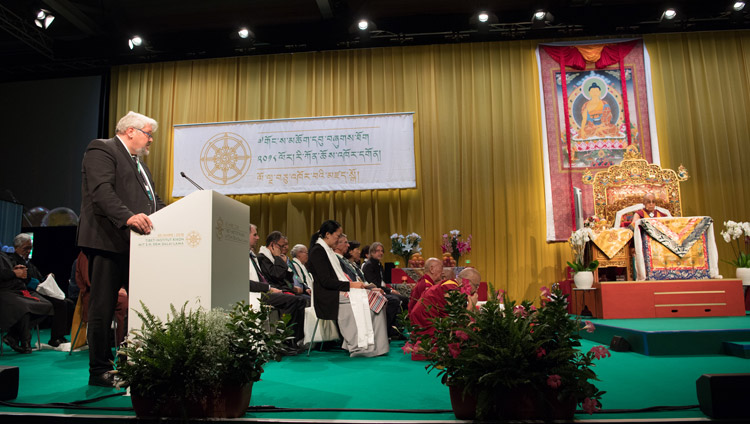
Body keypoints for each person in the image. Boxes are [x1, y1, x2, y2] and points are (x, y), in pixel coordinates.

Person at [77, 111, 165, 387]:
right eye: (148, 134)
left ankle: (131, 364)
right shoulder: (102, 148)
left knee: (140, 306)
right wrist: (127, 216)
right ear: (130, 131)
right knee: (103, 306)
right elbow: (102, 192)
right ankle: (100, 370)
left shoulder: (139, 164)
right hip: (107, 239)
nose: (151, 140)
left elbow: (154, 201)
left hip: (136, 245)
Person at [306, 220, 389, 357]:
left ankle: (376, 346)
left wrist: (361, 286)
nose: (339, 239)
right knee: (365, 301)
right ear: (327, 234)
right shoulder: (318, 251)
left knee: (378, 298)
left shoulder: (329, 251)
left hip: (337, 290)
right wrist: (351, 285)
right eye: (337, 236)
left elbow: (338, 278)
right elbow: (326, 281)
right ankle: (360, 346)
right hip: (327, 296)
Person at [248, 224, 306, 352]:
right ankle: (283, 342)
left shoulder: (253, 256)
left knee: (301, 300)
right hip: (257, 293)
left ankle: (295, 340)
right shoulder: (262, 257)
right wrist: (278, 259)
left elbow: (288, 277)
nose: (258, 238)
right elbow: (276, 275)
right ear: (273, 245)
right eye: (255, 235)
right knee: (292, 300)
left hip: (269, 289)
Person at [0, 233, 60, 353]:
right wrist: (14, 273)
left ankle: (13, 336)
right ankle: (24, 341)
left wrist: (17, 271)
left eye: (30, 248)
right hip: (5, 291)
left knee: (46, 305)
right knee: (24, 308)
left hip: (18, 289)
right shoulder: (11, 257)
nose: (28, 251)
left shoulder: (4, 255)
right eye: (25, 248)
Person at [409, 268, 481, 360]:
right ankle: (424, 349)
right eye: (476, 285)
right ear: (467, 282)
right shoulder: (452, 290)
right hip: (428, 328)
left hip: (422, 325)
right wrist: (471, 305)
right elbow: (458, 321)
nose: (477, 290)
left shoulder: (450, 284)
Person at [362, 242, 408, 339]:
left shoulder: (378, 265)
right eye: (377, 251)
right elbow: (374, 285)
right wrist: (390, 291)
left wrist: (389, 289)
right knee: (395, 300)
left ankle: (396, 330)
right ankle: (387, 331)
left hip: (380, 290)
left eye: (382, 251)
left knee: (404, 299)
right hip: (373, 292)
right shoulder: (369, 265)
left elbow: (381, 283)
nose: (380, 253)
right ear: (372, 252)